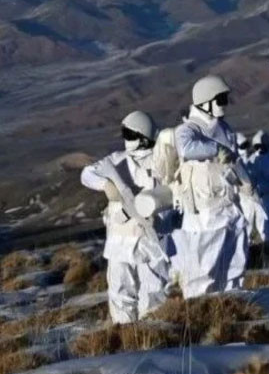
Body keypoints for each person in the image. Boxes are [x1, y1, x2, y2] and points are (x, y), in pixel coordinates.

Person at [80, 111, 171, 323]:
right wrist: (106, 185)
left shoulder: (162, 161)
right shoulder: (117, 160)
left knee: (154, 293)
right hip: (120, 240)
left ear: (143, 136)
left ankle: (152, 339)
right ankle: (127, 341)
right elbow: (87, 174)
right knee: (120, 293)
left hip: (151, 240)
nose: (126, 139)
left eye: (129, 134)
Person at [173, 74, 250, 297]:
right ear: (205, 102)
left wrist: (246, 184)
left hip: (229, 207)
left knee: (234, 266)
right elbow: (186, 149)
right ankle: (200, 317)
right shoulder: (189, 129)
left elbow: (234, 161)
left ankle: (231, 311)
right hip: (205, 213)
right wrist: (216, 149)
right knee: (203, 272)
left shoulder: (224, 128)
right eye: (221, 99)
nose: (225, 105)